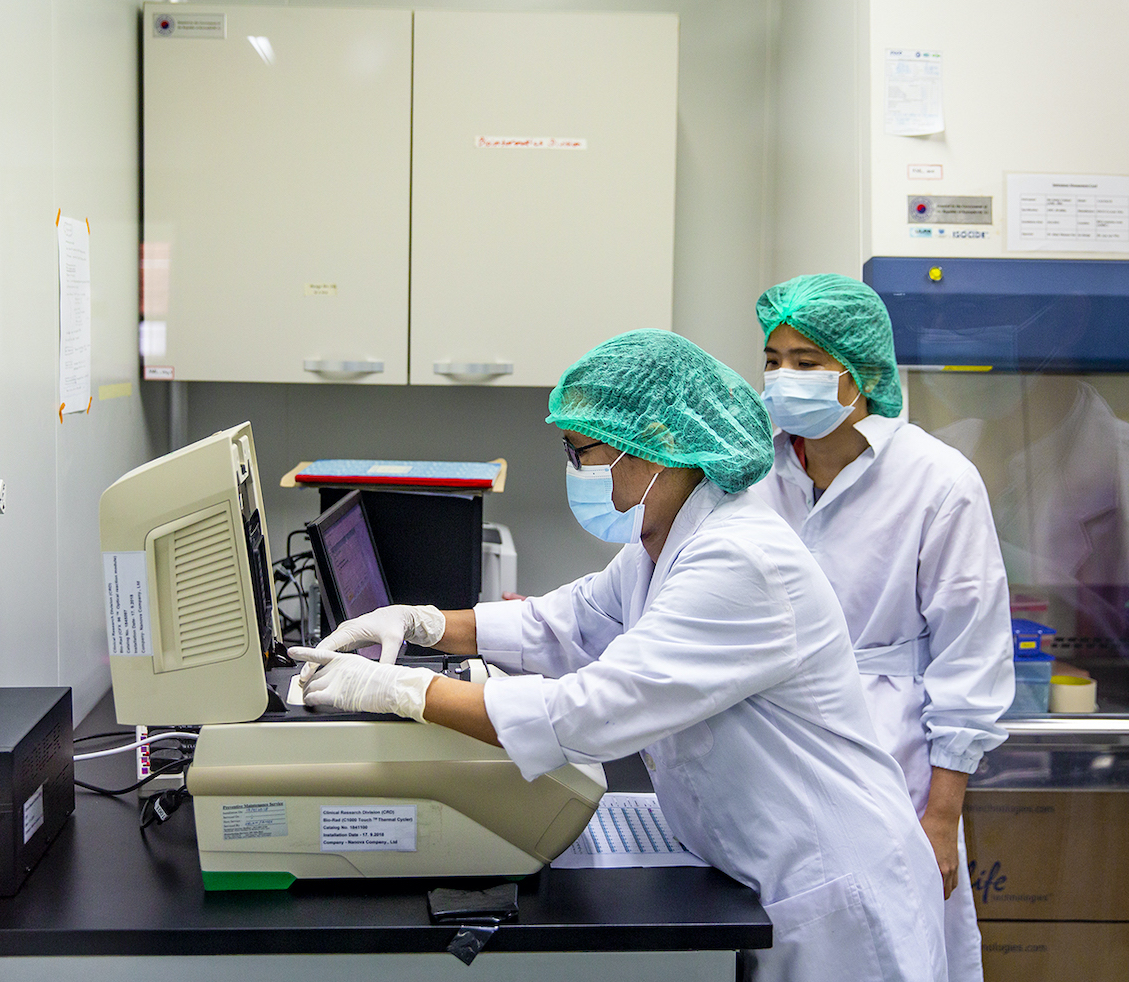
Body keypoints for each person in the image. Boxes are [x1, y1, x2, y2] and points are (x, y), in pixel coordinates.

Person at [291, 328, 947, 982]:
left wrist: (399, 692)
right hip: (761, 868)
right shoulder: (667, 541)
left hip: (832, 898)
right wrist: (423, 622)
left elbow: (590, 713)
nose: (576, 470)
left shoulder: (740, 558)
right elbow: (564, 620)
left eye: (583, 452)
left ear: (659, 444)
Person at [748, 273, 1015, 982]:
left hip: (889, 763)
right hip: (762, 760)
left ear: (860, 372)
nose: (783, 378)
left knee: (884, 951)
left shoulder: (938, 481)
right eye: (773, 360)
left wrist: (942, 817)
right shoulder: (750, 475)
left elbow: (972, 658)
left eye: (807, 362)